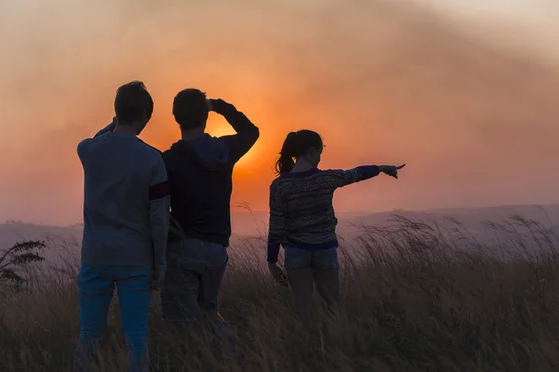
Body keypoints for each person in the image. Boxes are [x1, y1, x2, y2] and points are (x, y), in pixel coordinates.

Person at [75, 81, 170, 372]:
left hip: (95, 255)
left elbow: (100, 137)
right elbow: (158, 218)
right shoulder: (153, 159)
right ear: (145, 114)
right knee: (136, 337)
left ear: (116, 113)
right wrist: (160, 262)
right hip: (136, 258)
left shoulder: (87, 150)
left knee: (89, 334)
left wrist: (116, 122)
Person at [267, 129, 405, 318]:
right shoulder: (326, 178)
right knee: (334, 307)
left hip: (296, 252)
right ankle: (338, 342)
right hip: (325, 249)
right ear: (312, 151)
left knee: (303, 310)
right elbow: (356, 173)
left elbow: (276, 226)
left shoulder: (279, 186)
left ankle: (308, 345)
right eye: (319, 153)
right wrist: (381, 168)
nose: (319, 159)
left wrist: (272, 261)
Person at [161, 89, 259, 352]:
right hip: (217, 249)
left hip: (182, 248)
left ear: (176, 118)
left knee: (182, 324)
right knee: (209, 313)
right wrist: (219, 105)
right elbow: (251, 131)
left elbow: (156, 207)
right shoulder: (224, 150)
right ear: (205, 116)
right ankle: (228, 359)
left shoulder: (167, 160)